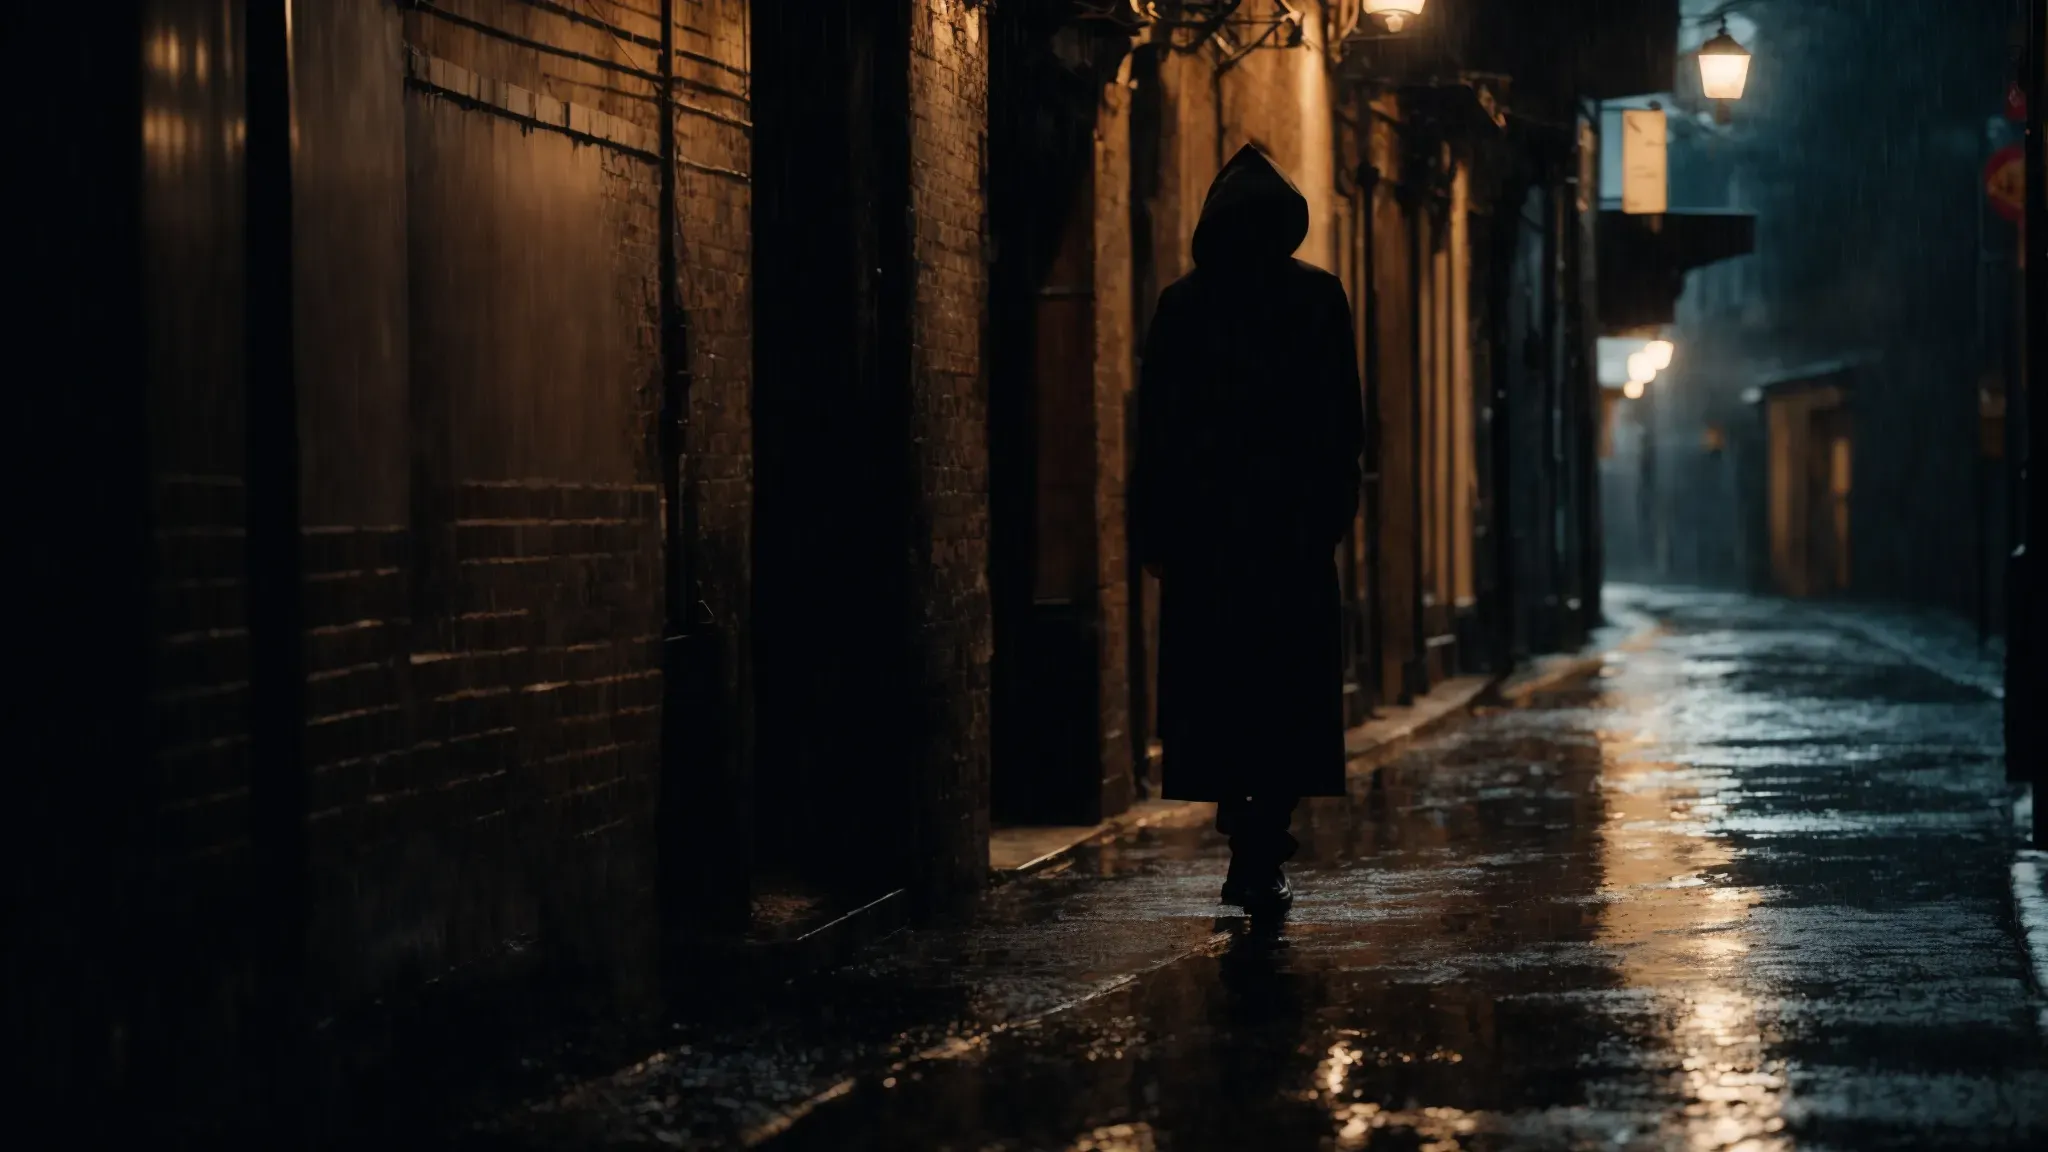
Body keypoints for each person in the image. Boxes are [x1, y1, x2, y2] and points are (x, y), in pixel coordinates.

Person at [1132, 143, 1365, 911]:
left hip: (1211, 543)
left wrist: (1157, 533)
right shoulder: (1319, 298)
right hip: (1290, 538)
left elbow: (1157, 432)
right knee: (1285, 695)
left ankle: (1247, 835)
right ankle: (1265, 838)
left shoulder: (1183, 305)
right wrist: (1330, 515)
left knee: (1224, 692)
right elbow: (1343, 425)